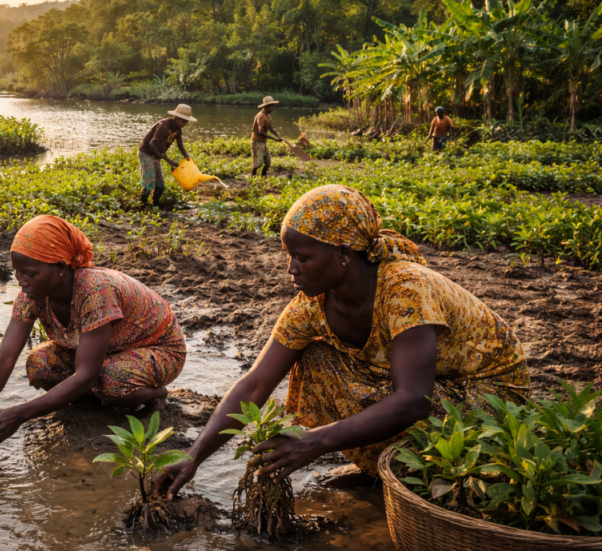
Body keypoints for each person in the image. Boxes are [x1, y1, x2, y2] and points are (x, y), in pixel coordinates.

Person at [156, 184, 529, 498]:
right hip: (438, 386)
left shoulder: (406, 288)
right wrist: (194, 457)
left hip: (489, 399)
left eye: (302, 257)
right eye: (289, 256)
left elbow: (415, 399)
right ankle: (380, 470)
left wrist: (313, 441)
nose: (292, 269)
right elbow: (255, 384)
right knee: (315, 357)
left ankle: (420, 480)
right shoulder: (312, 305)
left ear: (345, 254)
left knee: (395, 402)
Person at [0, 215, 187, 446]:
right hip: (111, 352)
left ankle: (156, 395)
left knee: (108, 380)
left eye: (30, 274)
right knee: (40, 363)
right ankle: (100, 401)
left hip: (158, 350)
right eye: (17, 272)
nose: (21, 281)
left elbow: (87, 375)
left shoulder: (96, 291)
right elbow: (4, 357)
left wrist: (20, 414)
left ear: (61, 268)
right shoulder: (31, 296)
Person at [137, 104, 196, 207]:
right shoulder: (163, 127)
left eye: (187, 121)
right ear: (177, 117)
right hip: (146, 153)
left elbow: (181, 146)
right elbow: (152, 145)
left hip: (158, 155)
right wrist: (170, 161)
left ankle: (155, 206)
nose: (185, 123)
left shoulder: (178, 130)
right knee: (149, 184)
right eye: (184, 120)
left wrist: (188, 159)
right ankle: (143, 206)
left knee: (161, 186)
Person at [251, 96, 285, 178]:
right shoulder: (261, 116)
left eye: (273, 105)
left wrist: (277, 135)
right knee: (258, 163)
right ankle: (253, 177)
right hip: (257, 142)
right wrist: (274, 139)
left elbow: (270, 128)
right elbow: (260, 131)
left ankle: (263, 177)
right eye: (271, 106)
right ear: (265, 107)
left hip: (263, 142)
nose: (273, 107)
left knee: (268, 163)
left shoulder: (268, 116)